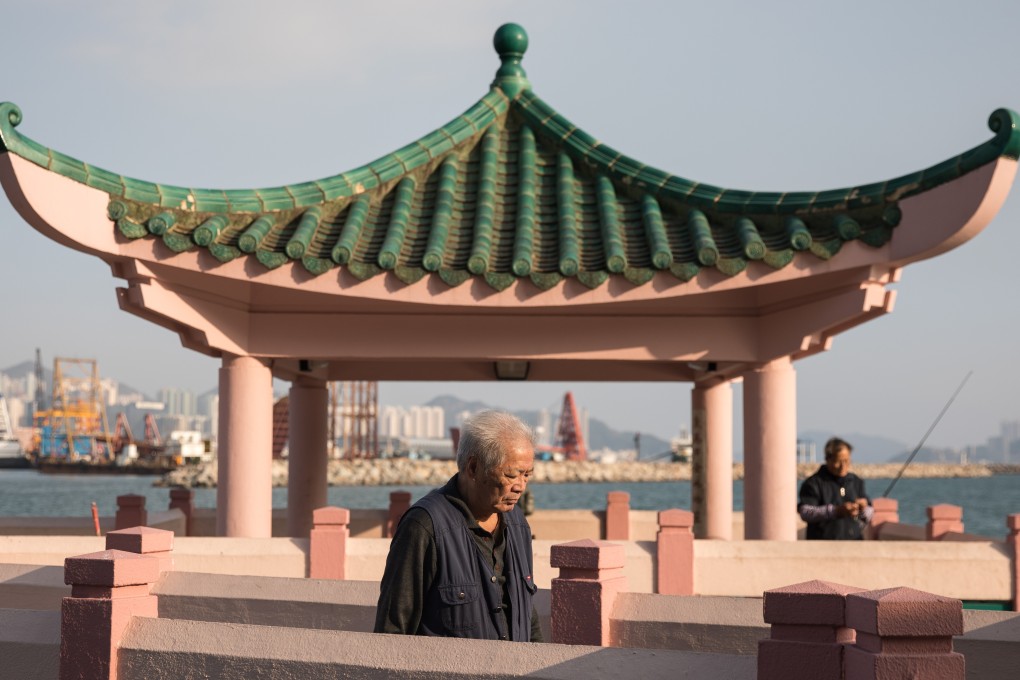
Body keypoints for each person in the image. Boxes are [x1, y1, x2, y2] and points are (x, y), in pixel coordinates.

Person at [374, 410, 542, 641]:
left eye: (527, 475)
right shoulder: (424, 526)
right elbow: (393, 628)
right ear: (473, 468)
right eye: (512, 475)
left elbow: (527, 614)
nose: (521, 486)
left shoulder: (518, 524)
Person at [798, 437, 874, 540]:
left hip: (854, 543)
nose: (843, 466)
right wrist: (835, 511)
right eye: (838, 461)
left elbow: (869, 511)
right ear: (828, 459)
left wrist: (863, 508)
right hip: (823, 544)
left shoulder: (856, 481)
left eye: (846, 461)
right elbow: (805, 512)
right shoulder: (813, 483)